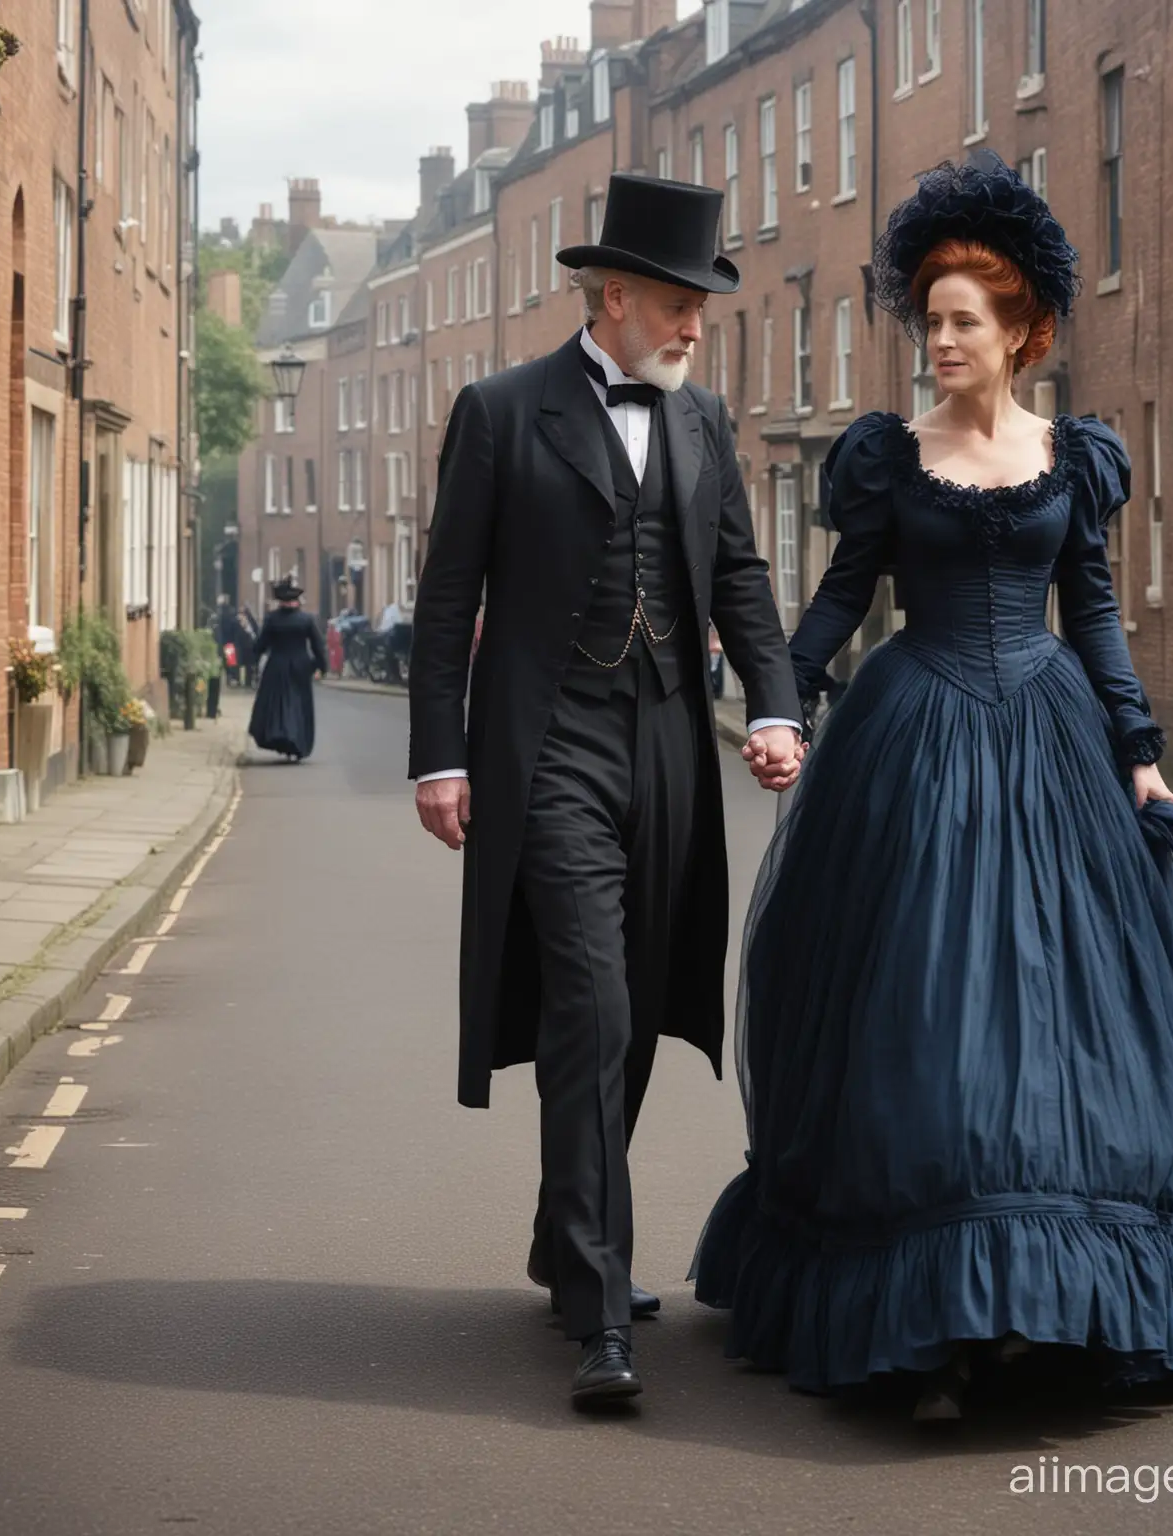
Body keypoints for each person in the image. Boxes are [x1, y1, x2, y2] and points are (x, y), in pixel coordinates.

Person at [691, 152, 1173, 1419]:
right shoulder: (890, 457)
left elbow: (1099, 617)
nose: (938, 340)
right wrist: (781, 703)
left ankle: (1046, 1312)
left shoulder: (1078, 458)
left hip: (1054, 739)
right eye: (930, 319)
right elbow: (842, 598)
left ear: (1024, 332)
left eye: (963, 321)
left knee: (1064, 1025)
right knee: (930, 1015)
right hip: (916, 742)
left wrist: (1144, 760)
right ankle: (943, 1313)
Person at [408, 173, 803, 1410]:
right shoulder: (502, 411)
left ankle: (559, 1232)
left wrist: (779, 703)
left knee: (633, 1002)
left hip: (670, 744)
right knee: (588, 998)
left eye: (706, 309)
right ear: (615, 294)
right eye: (683, 304)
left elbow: (739, 576)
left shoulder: (700, 421)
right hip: (550, 746)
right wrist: (439, 750)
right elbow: (446, 597)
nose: (697, 328)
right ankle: (598, 1305)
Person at [249, 578, 326, 762]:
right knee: (298, 705)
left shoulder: (272, 619)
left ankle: (280, 735)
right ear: (297, 601)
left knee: (277, 703)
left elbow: (261, 644)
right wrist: (320, 666)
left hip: (277, 665)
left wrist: (254, 660)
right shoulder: (306, 620)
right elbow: (318, 645)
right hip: (300, 665)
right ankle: (296, 740)